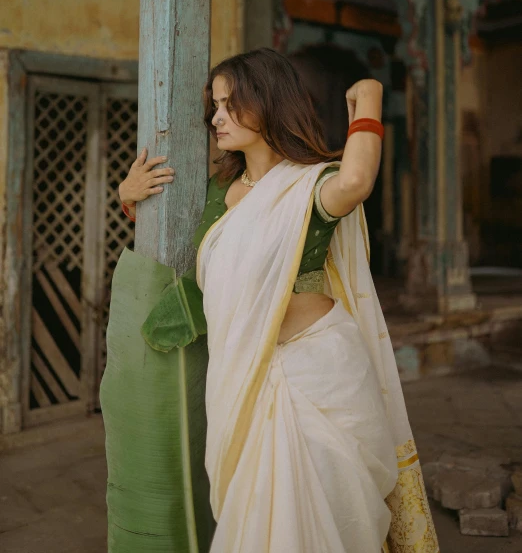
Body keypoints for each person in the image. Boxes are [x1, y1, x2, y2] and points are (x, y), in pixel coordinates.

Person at [118, 48, 438, 553]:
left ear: (268, 102)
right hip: (247, 376)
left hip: (319, 372)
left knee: (330, 519)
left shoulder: (308, 184)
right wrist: (129, 198)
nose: (217, 118)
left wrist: (370, 94)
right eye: (215, 107)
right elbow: (203, 262)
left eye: (230, 104)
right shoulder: (217, 190)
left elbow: (356, 179)